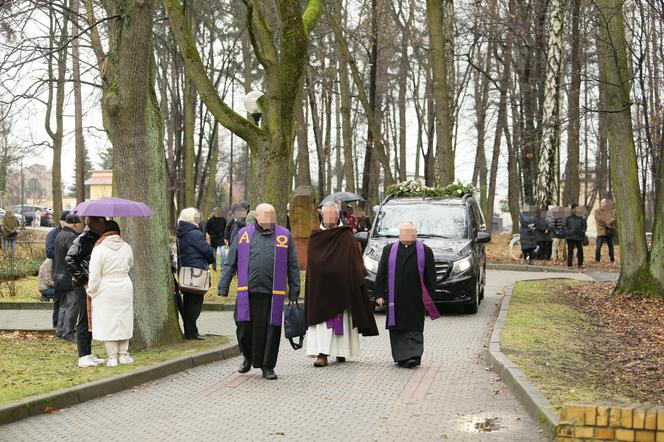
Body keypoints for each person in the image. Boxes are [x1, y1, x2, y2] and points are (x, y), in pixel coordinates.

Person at [218, 203, 300, 380]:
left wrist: (295, 289)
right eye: (266, 215)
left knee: (271, 331)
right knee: (243, 329)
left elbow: (292, 264)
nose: (269, 219)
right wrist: (223, 286)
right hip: (246, 293)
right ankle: (248, 358)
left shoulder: (284, 236)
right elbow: (231, 262)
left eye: (272, 215)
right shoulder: (243, 235)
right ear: (257, 217)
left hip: (273, 295)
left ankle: (267, 366)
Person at [305, 202, 378, 367]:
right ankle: (321, 354)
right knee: (322, 323)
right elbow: (312, 263)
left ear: (338, 216)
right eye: (327, 215)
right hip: (321, 289)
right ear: (322, 216)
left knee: (342, 321)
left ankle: (341, 352)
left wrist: (352, 274)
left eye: (333, 215)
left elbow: (354, 260)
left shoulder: (346, 235)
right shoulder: (315, 236)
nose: (330, 218)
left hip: (343, 285)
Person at [374, 220, 439, 368]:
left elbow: (431, 277)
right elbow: (381, 274)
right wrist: (379, 294)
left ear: (415, 234)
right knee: (397, 328)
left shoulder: (425, 251)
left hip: (416, 297)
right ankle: (402, 357)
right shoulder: (389, 250)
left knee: (414, 327)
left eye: (410, 232)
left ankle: (414, 356)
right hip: (394, 297)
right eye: (404, 232)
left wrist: (430, 296)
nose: (407, 235)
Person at [87, 221, 135, 368]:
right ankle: (124, 355)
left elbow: (94, 274)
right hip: (124, 286)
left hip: (106, 288)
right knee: (124, 320)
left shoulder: (99, 249)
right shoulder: (127, 247)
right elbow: (131, 264)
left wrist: (91, 290)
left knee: (109, 322)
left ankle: (112, 357)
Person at [66, 216, 107, 368]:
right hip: (83, 285)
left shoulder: (96, 239)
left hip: (90, 284)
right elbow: (70, 259)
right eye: (102, 222)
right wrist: (83, 278)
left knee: (90, 318)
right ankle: (83, 355)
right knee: (83, 318)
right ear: (96, 224)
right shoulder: (82, 239)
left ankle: (88, 353)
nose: (104, 225)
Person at [176, 207, 215, 340]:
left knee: (188, 303)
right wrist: (211, 258)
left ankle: (190, 331)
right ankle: (192, 332)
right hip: (197, 273)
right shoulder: (195, 234)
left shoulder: (180, 233)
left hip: (186, 273)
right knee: (195, 305)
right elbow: (208, 252)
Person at [53, 214, 83, 342]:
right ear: (75, 224)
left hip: (59, 276)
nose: (80, 227)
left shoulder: (60, 234)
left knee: (64, 305)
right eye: (79, 224)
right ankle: (68, 333)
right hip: (69, 277)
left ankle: (60, 330)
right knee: (73, 306)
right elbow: (74, 258)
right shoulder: (71, 237)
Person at [46, 210, 70, 327]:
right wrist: (63, 252)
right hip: (59, 271)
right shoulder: (53, 234)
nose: (67, 223)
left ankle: (67, 324)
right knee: (58, 299)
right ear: (61, 221)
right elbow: (49, 252)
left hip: (70, 271)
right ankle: (56, 323)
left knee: (69, 300)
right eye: (66, 221)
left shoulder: (73, 233)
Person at [564, 203, 587, 269]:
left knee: (580, 251)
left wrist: (583, 231)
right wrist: (568, 232)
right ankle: (569, 265)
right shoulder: (568, 215)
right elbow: (564, 225)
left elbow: (584, 225)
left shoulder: (581, 216)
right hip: (570, 236)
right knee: (570, 251)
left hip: (579, 236)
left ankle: (580, 264)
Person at [205, 207, 227, 271]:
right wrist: (208, 239)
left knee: (223, 253)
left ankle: (223, 267)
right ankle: (214, 268)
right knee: (213, 254)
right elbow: (207, 230)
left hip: (221, 238)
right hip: (213, 239)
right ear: (213, 212)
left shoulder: (223, 220)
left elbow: (225, 229)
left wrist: (225, 238)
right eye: (215, 211)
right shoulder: (210, 221)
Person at [594, 199, 616, 263]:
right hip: (601, 232)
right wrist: (607, 223)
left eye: (605, 203)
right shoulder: (597, 211)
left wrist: (609, 222)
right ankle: (597, 260)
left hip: (609, 232)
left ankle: (612, 259)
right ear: (601, 204)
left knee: (611, 247)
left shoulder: (610, 211)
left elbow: (614, 218)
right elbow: (599, 219)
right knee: (598, 247)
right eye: (603, 203)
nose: (605, 205)